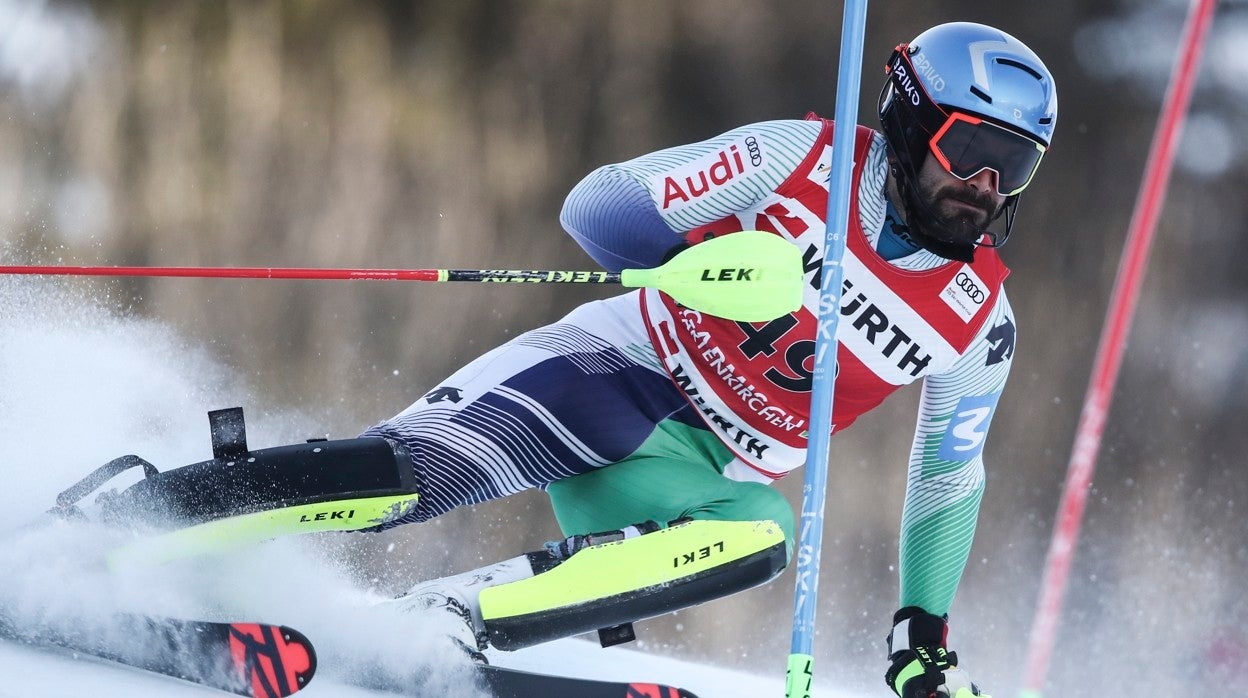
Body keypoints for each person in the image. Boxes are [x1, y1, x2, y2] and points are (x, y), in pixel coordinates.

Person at [360, 21, 1057, 698]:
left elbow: (948, 474)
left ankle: (447, 617)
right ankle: (256, 500)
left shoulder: (979, 321)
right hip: (605, 374)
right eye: (968, 147)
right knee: (390, 481)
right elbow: (598, 205)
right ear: (911, 118)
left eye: (1015, 164)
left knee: (765, 534)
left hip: (686, 482)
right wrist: (693, 265)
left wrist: (923, 637)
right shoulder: (806, 158)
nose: (986, 183)